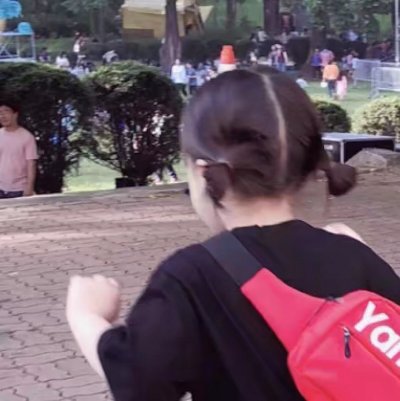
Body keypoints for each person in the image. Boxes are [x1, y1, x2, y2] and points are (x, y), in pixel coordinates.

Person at [67, 67, 400, 401]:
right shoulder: (352, 254)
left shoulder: (190, 277)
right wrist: (359, 258)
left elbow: (140, 383)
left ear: (203, 172)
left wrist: (87, 316)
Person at [0, 101, 38, 199]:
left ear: (15, 114)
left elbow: (31, 164)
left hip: (19, 189)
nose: (2, 116)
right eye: (0, 113)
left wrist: (29, 187)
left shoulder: (27, 137)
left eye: (6, 111)